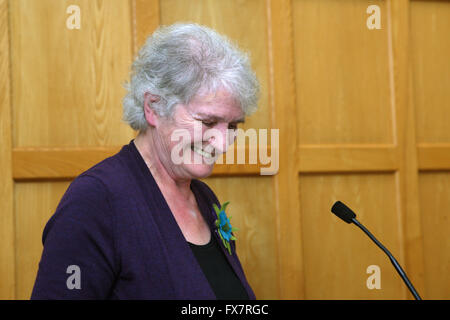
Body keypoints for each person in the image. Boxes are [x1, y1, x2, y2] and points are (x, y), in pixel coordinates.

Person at [31, 23, 260, 299]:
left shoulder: (203, 197)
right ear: (153, 107)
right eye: (208, 122)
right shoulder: (95, 200)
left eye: (233, 126)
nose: (223, 143)